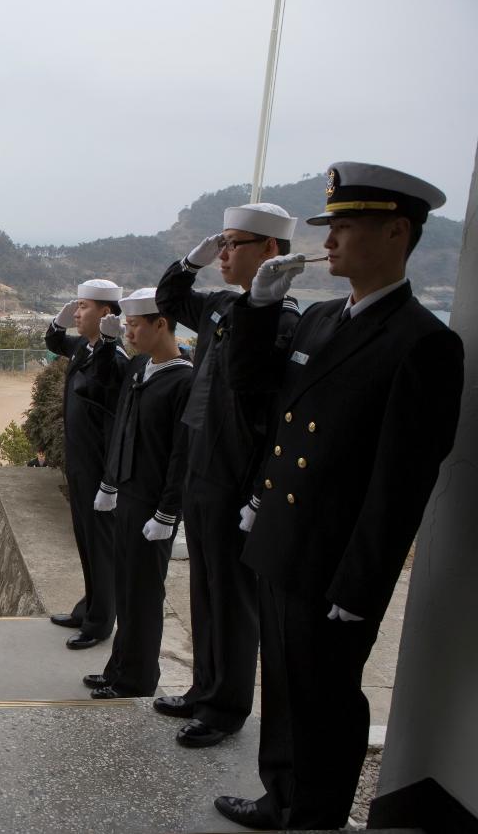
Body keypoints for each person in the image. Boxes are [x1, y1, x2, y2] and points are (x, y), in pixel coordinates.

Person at [215, 163, 464, 831]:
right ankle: (280, 795)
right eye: (329, 226)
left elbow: (401, 482)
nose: (330, 240)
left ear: (395, 231)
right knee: (286, 687)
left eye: (346, 227)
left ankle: (316, 816)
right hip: (281, 539)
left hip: (333, 560)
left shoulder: (424, 343)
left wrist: (360, 586)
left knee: (326, 698)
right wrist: (258, 311)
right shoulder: (323, 317)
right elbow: (260, 393)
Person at [152, 205, 301, 748]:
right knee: (204, 586)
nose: (224, 253)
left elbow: (275, 416)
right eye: (222, 243)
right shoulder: (219, 306)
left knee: (233, 596)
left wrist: (260, 492)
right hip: (200, 463)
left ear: (270, 251)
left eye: (235, 243)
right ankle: (202, 689)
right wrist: (192, 258)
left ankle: (227, 707)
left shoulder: (285, 324)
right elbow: (170, 299)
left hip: (237, 475)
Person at [86, 288, 193, 701]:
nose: (128, 332)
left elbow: (181, 454)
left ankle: (137, 679)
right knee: (126, 587)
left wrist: (168, 512)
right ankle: (118, 669)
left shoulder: (183, 379)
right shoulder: (140, 368)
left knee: (145, 596)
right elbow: (122, 429)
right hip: (127, 495)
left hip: (153, 504)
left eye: (133, 325)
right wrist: (110, 483)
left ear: (161, 324)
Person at [44, 279, 129, 650]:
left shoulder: (115, 356)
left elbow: (113, 402)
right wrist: (57, 324)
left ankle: (99, 622)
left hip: (100, 466)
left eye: (83, 307)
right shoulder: (84, 346)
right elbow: (54, 343)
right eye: (76, 306)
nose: (77, 313)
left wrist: (111, 480)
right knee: (85, 538)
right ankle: (87, 606)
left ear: (106, 313)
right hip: (79, 463)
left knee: (101, 544)